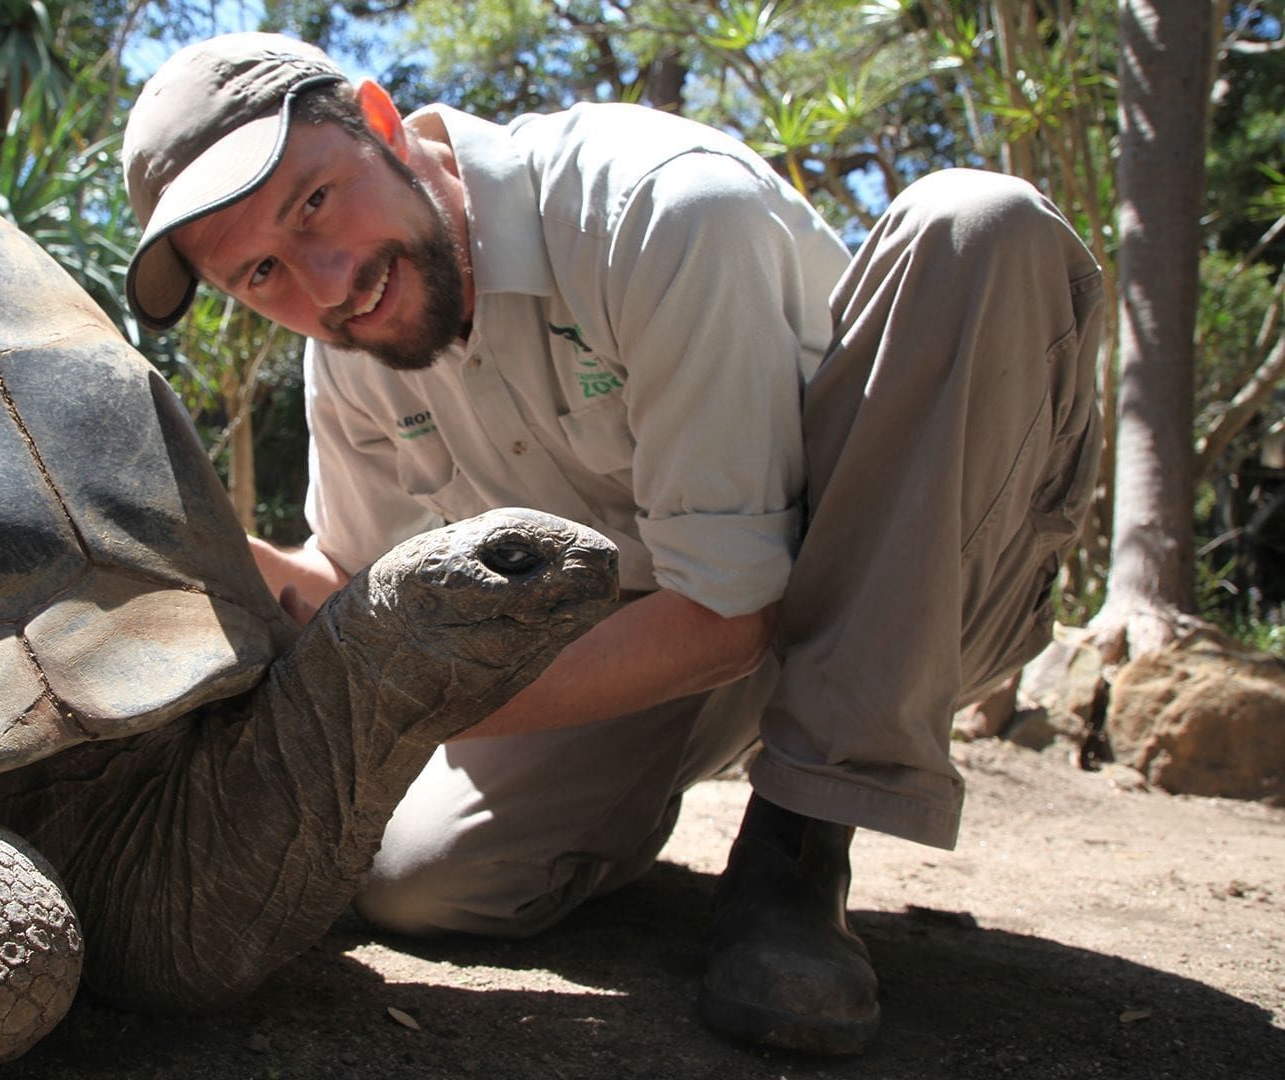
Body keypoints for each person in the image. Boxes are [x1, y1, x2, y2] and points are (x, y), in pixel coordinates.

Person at [118, 32, 1102, 1054]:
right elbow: (352, 584)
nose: (324, 285)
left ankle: (801, 842)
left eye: (314, 202)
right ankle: (668, 803)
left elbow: (733, 616)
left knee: (978, 224)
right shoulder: (355, 349)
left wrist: (398, 701)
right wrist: (194, 550)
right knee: (422, 885)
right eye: (262, 272)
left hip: (912, 590)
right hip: (679, 632)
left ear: (379, 121)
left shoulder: (658, 210)